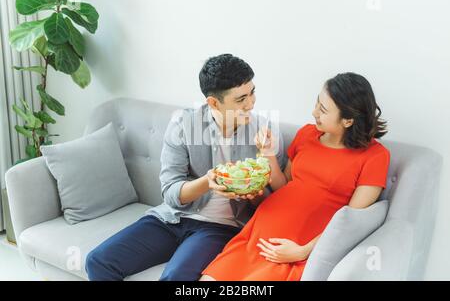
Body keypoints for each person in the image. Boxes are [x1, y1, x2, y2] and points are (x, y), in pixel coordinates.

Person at [85, 54, 286, 281]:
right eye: (241, 99)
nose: (251, 103)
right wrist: (208, 182)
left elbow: (275, 200)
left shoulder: (264, 130)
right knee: (98, 261)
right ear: (213, 102)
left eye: (252, 93)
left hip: (219, 227)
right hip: (172, 218)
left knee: (175, 278)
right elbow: (170, 193)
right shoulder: (184, 124)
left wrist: (252, 190)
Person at [200, 72, 390, 281]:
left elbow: (350, 225)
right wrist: (268, 153)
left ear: (348, 120)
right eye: (317, 103)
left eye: (323, 110)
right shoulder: (307, 133)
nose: (314, 112)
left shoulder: (375, 156)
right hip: (255, 235)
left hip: (294, 251)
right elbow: (284, 186)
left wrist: (303, 251)